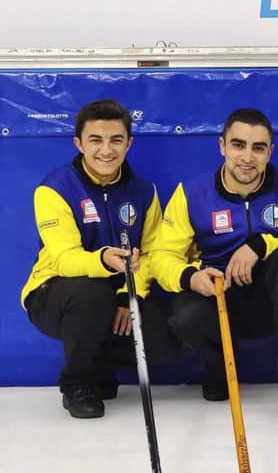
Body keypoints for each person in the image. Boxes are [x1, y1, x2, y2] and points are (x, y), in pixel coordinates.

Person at [151, 108, 278, 420]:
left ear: (270, 152)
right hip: (220, 298)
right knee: (186, 317)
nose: (248, 157)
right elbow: (162, 257)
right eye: (238, 145)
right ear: (222, 146)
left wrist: (261, 244)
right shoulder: (191, 193)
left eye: (258, 148)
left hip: (273, 302)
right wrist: (191, 276)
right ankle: (218, 366)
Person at [21, 99, 171, 419]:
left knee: (163, 341)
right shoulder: (54, 188)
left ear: (129, 143)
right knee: (92, 293)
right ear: (79, 143)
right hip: (52, 294)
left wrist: (129, 295)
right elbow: (64, 259)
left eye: (116, 140)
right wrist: (103, 261)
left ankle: (99, 363)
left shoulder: (144, 191)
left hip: (116, 293)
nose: (106, 150)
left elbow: (154, 253)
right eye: (95, 140)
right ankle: (77, 382)